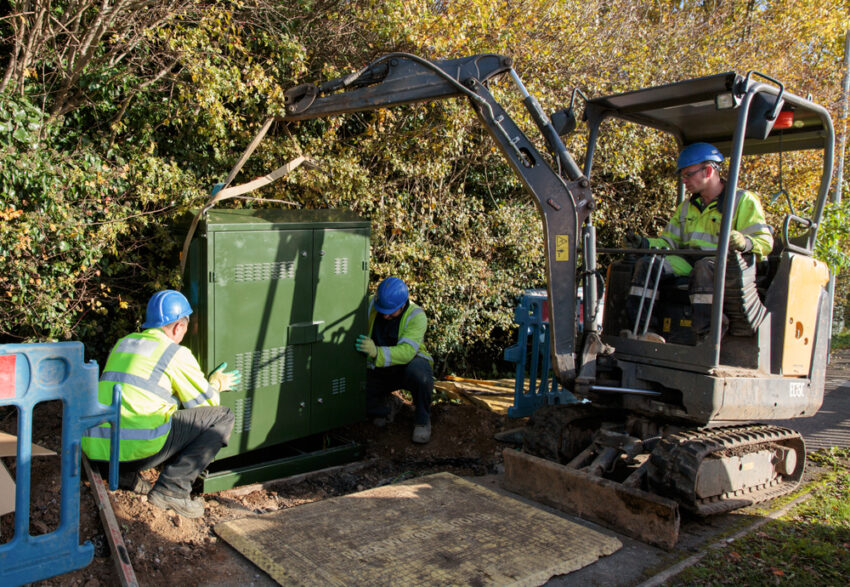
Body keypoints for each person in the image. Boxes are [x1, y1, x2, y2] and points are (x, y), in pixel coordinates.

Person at [82, 290, 240, 518]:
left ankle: (125, 475)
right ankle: (173, 491)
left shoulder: (123, 343)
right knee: (222, 417)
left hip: (98, 449)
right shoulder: (174, 353)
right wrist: (215, 384)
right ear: (178, 327)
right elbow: (206, 404)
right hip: (136, 450)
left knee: (148, 408)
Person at [625, 142, 773, 342]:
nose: (684, 180)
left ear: (709, 171)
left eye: (688, 174)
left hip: (728, 265)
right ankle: (642, 332)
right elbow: (669, 243)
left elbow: (765, 242)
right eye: (683, 176)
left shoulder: (743, 200)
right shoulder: (687, 207)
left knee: (703, 268)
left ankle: (708, 336)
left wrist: (743, 241)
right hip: (689, 261)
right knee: (648, 264)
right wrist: (644, 244)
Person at [355, 277, 434, 444]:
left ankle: (422, 421)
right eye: (382, 309)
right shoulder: (370, 304)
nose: (385, 315)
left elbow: (406, 352)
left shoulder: (416, 316)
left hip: (408, 366)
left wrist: (376, 352)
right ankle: (388, 408)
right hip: (381, 369)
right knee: (356, 395)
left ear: (402, 305)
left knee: (421, 376)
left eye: (390, 311)